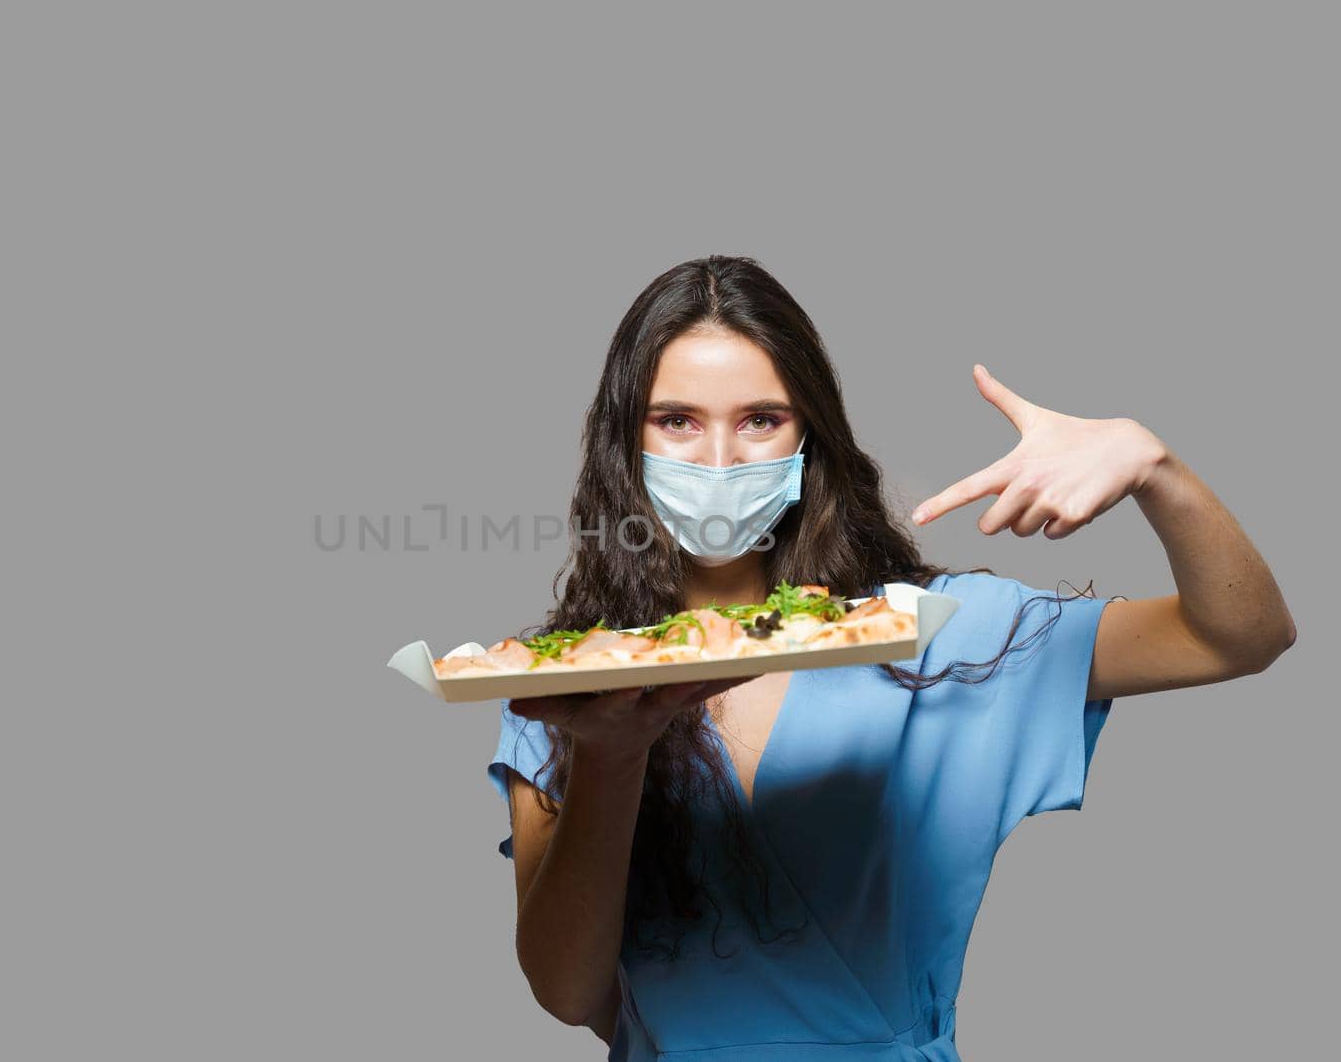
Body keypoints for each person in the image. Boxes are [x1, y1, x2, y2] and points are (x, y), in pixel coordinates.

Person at [486, 255, 1297, 1062]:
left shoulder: (929, 634)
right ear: (625, 439)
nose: (722, 462)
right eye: (678, 421)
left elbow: (1239, 634)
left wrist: (1154, 467)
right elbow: (570, 994)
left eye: (761, 418)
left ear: (811, 435)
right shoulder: (565, 682)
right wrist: (609, 758)